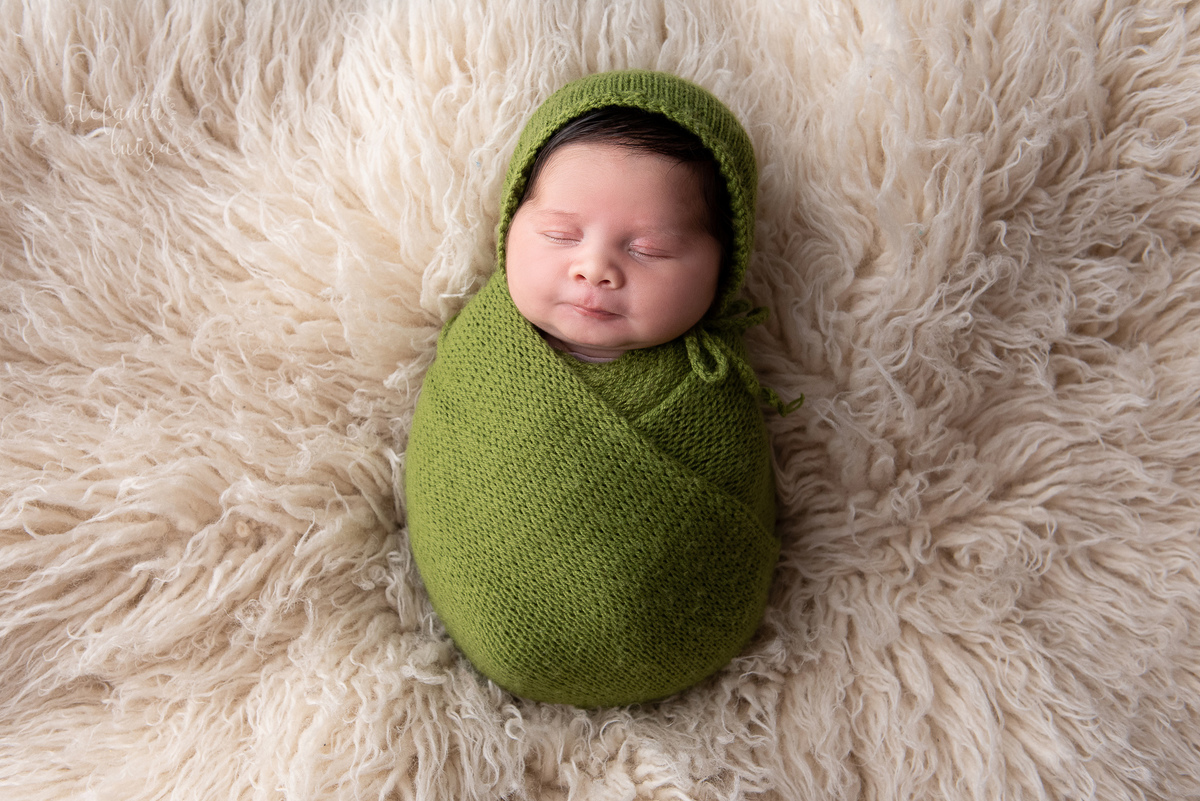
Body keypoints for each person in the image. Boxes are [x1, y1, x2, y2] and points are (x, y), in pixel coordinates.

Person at [405, 70, 800, 708]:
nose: (595, 269)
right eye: (560, 236)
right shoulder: (482, 351)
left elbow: (724, 530)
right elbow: (446, 469)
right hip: (482, 613)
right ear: (511, 226)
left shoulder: (709, 392)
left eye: (650, 249)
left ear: (723, 268)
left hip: (667, 637)